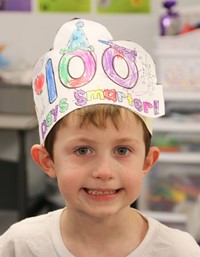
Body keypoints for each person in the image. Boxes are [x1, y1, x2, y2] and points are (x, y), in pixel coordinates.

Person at [0, 18, 199, 257]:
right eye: (83, 150)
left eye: (122, 150)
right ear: (47, 161)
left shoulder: (178, 251)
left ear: (147, 161)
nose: (104, 171)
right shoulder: (20, 246)